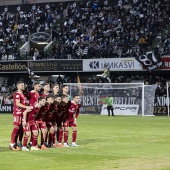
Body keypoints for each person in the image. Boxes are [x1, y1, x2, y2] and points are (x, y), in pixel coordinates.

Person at [9, 81, 32, 150]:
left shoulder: (22, 94)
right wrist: (26, 107)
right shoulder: (17, 94)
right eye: (22, 85)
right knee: (16, 127)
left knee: (21, 128)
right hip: (17, 113)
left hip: (21, 113)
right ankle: (12, 144)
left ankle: (18, 142)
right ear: (18, 86)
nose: (23, 86)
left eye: (24, 85)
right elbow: (18, 103)